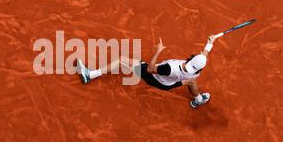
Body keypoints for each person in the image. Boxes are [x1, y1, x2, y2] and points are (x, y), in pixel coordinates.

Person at [76, 35, 218, 108]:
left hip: (154, 77)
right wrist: (210, 43)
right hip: (169, 84)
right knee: (191, 83)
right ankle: (198, 100)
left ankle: (90, 75)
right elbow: (204, 55)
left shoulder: (169, 69)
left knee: (121, 61)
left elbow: (151, 70)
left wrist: (157, 52)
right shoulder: (196, 72)